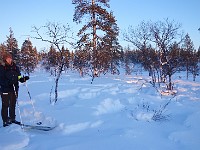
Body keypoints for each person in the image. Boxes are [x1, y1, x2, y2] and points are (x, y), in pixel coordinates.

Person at [0, 52, 29, 127]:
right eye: (7, 58)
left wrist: (23, 79)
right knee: (5, 105)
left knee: (13, 104)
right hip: (5, 89)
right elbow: (1, 79)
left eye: (10, 58)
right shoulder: (2, 67)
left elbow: (19, 77)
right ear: (5, 59)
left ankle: (12, 118)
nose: (9, 60)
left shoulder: (15, 67)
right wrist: (8, 82)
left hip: (14, 88)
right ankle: (5, 120)